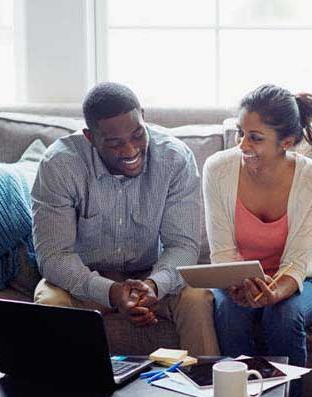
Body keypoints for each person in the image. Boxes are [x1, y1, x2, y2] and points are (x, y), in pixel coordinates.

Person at [31, 82, 219, 356]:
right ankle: (68, 396)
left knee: (196, 297)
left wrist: (155, 285)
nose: (130, 150)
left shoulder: (175, 159)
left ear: (143, 116)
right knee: (50, 301)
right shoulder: (59, 166)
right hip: (85, 281)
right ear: (90, 137)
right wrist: (111, 292)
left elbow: (182, 246)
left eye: (137, 134)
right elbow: (54, 256)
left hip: (149, 276)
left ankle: (205, 393)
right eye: (115, 143)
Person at [203, 84, 312, 397]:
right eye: (240, 133)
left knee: (284, 316)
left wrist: (272, 292)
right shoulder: (217, 169)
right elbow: (222, 251)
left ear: (286, 142)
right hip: (237, 276)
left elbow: (297, 262)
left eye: (255, 138)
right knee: (232, 313)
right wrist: (239, 284)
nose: (242, 145)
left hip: (301, 278)